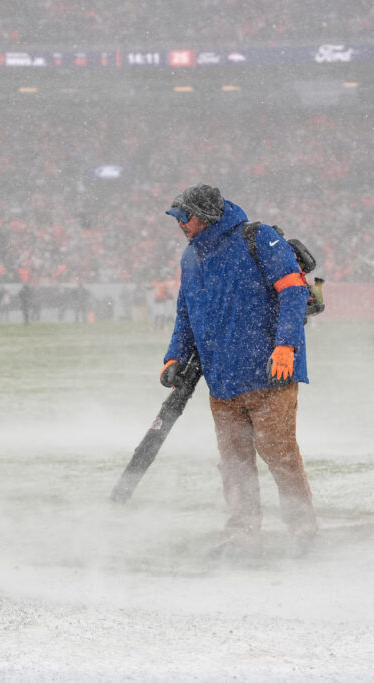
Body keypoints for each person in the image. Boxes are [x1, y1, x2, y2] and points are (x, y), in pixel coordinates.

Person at [160, 184, 318, 558]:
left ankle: (304, 533)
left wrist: (286, 346)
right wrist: (174, 357)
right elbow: (186, 313)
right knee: (234, 465)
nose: (180, 224)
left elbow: (294, 290)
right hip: (222, 381)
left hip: (270, 375)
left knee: (280, 456)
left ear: (206, 216)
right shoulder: (191, 257)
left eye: (185, 217)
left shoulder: (258, 238)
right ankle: (242, 537)